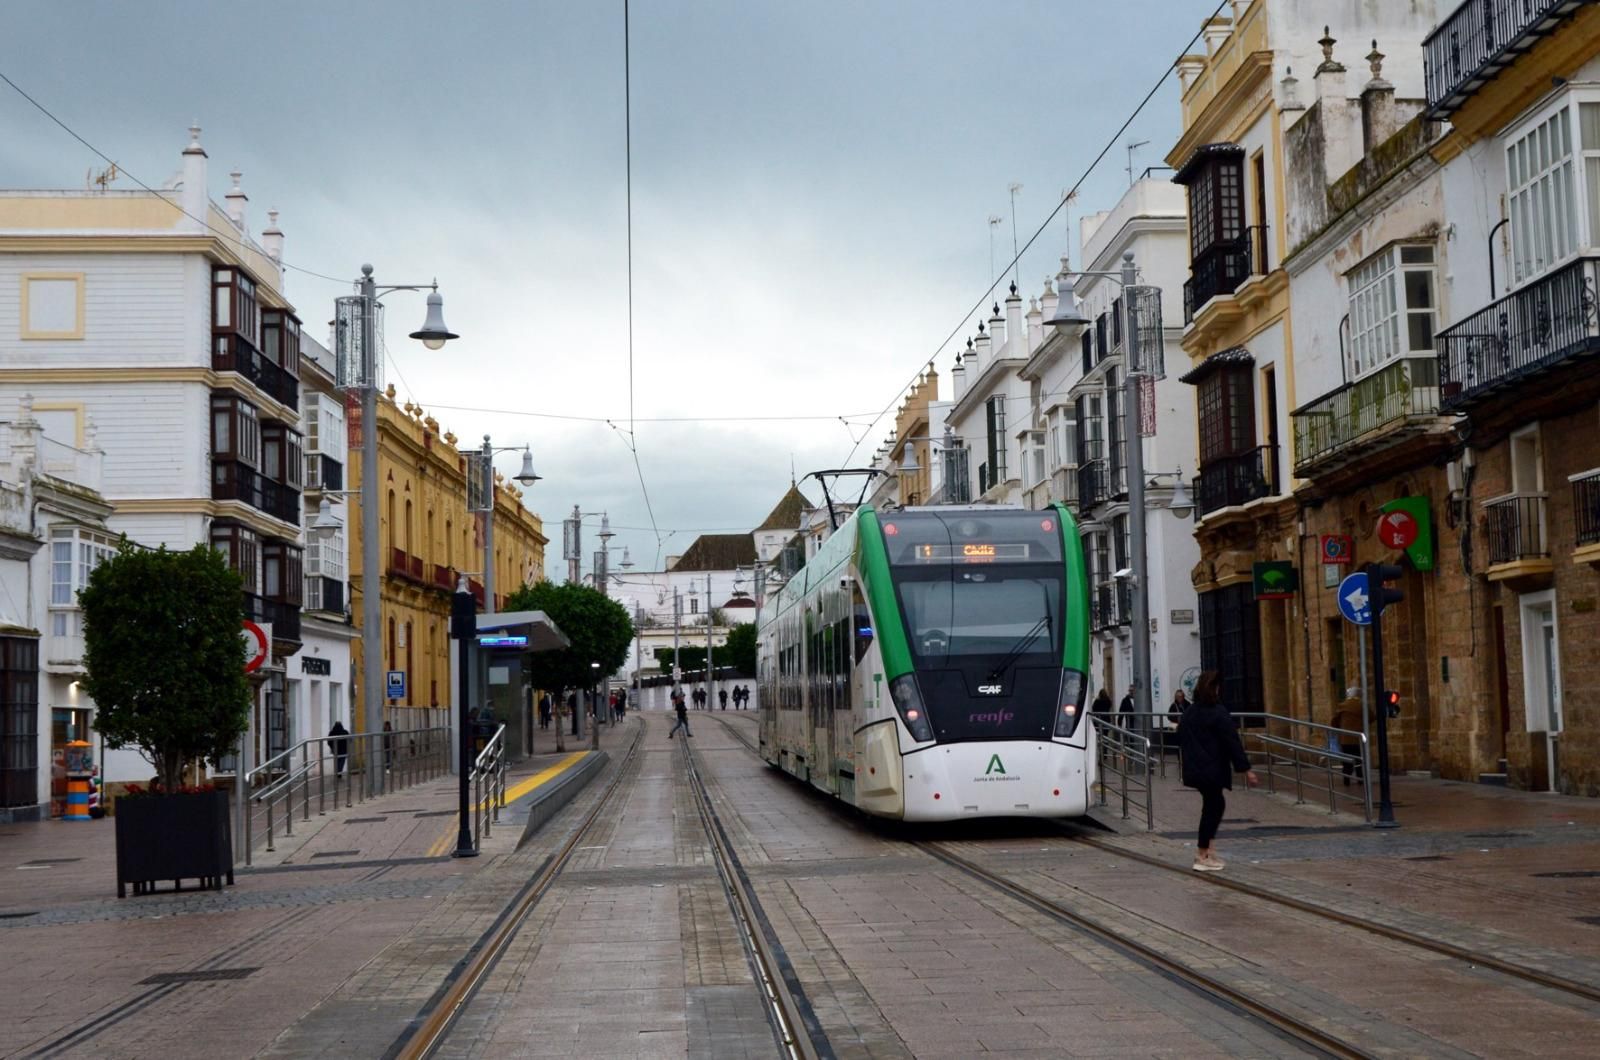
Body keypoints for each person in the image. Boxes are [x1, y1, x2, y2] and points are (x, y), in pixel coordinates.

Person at [1178, 671, 1258, 872]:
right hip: (1212, 768)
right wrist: (1246, 769)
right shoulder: (1218, 712)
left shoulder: (1190, 712)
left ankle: (1209, 850)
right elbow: (1232, 741)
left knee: (1213, 805)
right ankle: (1202, 854)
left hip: (1196, 767)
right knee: (1214, 806)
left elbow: (1181, 737)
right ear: (1215, 688)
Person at [1332, 686, 1367, 786]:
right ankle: (1360, 779)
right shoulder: (1361, 705)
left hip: (1345, 738)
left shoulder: (1342, 706)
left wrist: (1338, 728)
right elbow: (1371, 716)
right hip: (1358, 738)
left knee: (1346, 760)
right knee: (1359, 759)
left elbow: (1334, 720)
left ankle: (1346, 779)